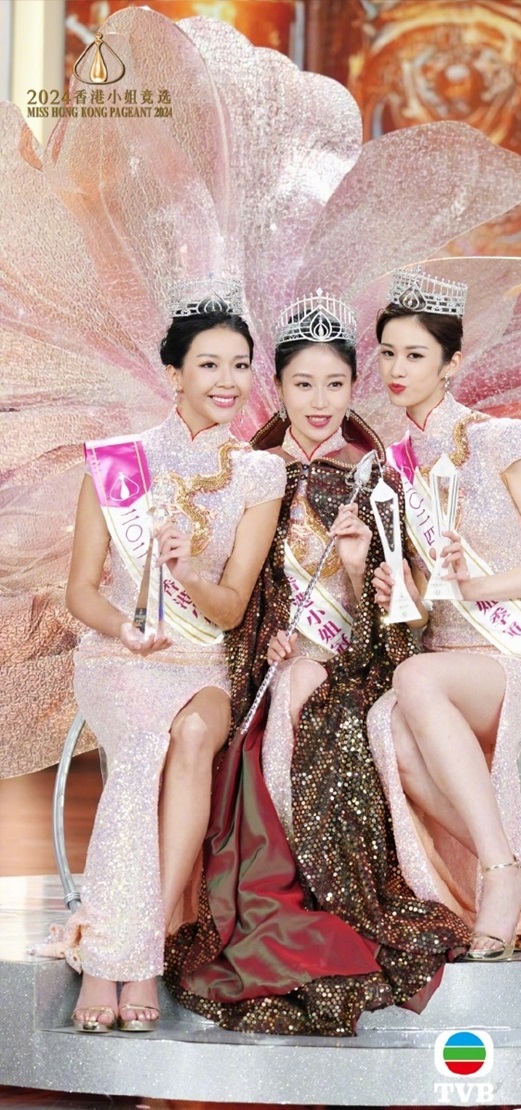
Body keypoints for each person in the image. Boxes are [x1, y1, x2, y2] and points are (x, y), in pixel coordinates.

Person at [164, 292, 470, 1036]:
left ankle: (323, 904)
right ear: (277, 387)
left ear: (354, 387)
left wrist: (365, 572)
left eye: (336, 384)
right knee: (272, 714)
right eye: (303, 384)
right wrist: (269, 640)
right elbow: (236, 597)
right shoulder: (252, 476)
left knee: (324, 722)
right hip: (264, 675)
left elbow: (403, 630)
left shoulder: (378, 482)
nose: (320, 401)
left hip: (351, 674)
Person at [61, 281, 286, 1031]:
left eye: (240, 366)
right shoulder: (116, 462)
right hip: (118, 659)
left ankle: (133, 948)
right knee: (142, 748)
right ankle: (120, 963)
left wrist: (186, 572)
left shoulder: (259, 473)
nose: (228, 381)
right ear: (174, 373)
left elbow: (232, 607)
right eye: (210, 364)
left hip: (200, 666)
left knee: (191, 735)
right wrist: (125, 629)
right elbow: (81, 592)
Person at [368, 268, 521, 960]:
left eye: (415, 354)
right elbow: (425, 597)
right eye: (387, 353)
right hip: (445, 661)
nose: (397, 369)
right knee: (386, 723)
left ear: (451, 362)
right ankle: (508, 866)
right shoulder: (390, 466)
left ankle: (500, 875)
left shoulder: (502, 439)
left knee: (413, 681)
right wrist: (397, 589)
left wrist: (480, 585)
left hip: (517, 656)